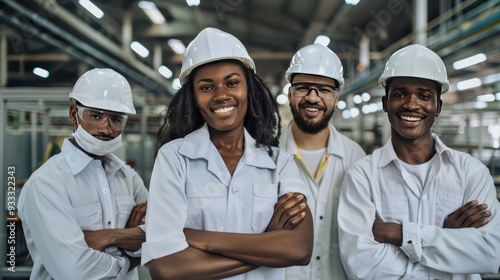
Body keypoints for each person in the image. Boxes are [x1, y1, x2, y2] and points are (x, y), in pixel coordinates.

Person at [142, 27, 314, 279]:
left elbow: (298, 249)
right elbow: (166, 268)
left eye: (232, 83)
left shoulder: (280, 163)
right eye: (206, 87)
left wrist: (196, 237)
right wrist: (267, 244)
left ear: (249, 90)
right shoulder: (174, 158)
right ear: (193, 96)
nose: (221, 95)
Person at [338, 44, 500, 279]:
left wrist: (401, 234)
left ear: (438, 107)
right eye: (400, 94)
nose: (412, 104)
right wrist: (446, 240)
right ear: (385, 104)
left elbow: (490, 253)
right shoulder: (362, 176)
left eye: (424, 96)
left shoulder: (471, 172)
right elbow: (362, 267)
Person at [18, 68, 149, 280]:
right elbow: (74, 271)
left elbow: (161, 239)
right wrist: (130, 249)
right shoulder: (47, 183)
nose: (106, 129)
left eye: (116, 119)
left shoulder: (128, 177)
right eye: (96, 115)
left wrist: (110, 237)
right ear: (73, 115)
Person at [280, 44, 366, 280]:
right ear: (290, 94)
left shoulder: (356, 157)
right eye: (303, 88)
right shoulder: (266, 154)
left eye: (323, 90)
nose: (312, 97)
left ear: (336, 97)